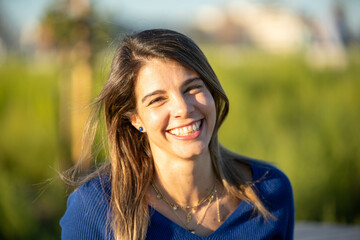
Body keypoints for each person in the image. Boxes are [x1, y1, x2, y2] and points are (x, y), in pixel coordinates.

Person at [60, 29, 294, 240]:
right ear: (135, 119)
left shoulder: (270, 191)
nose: (183, 108)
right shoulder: (93, 208)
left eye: (192, 88)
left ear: (211, 92)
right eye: (157, 99)